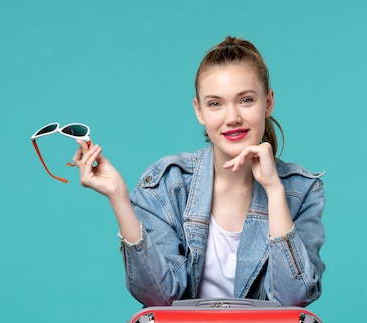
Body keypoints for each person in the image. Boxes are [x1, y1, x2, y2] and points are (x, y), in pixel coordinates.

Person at [71, 36, 326, 307]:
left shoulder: (302, 190)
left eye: (246, 100)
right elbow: (159, 297)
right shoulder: (165, 185)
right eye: (215, 103)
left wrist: (274, 191)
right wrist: (119, 197)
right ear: (199, 111)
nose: (232, 118)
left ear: (269, 102)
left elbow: (292, 300)